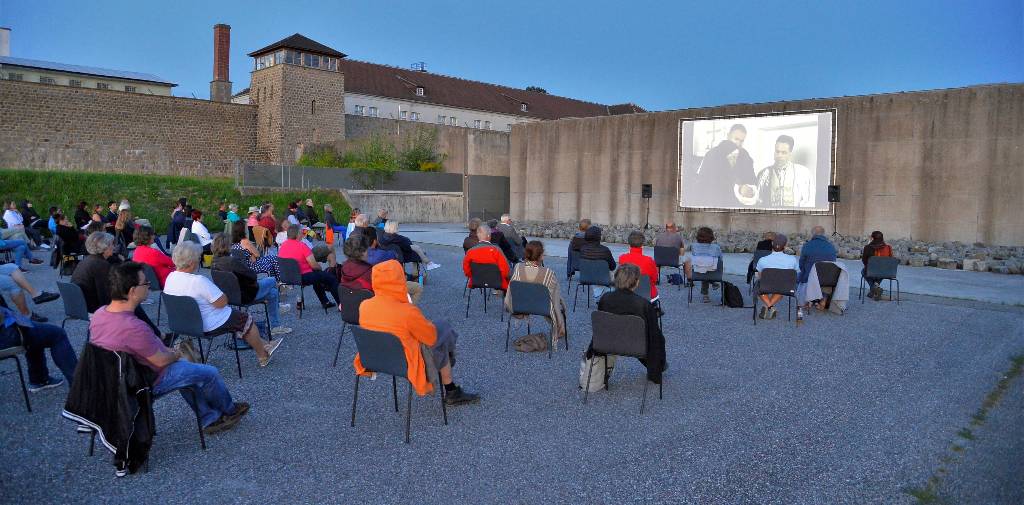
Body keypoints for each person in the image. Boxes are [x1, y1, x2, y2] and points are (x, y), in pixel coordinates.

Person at [89, 262, 250, 434]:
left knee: (188, 370)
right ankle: (229, 410)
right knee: (209, 372)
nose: (149, 286)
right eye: (145, 283)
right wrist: (175, 354)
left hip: (111, 380)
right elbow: (160, 362)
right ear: (132, 291)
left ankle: (209, 416)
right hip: (141, 383)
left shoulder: (100, 314)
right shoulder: (133, 326)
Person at [355, 260, 479, 405]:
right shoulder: (407, 312)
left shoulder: (364, 306)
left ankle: (452, 388)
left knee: (442, 332)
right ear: (399, 280)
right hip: (406, 361)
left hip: (376, 358)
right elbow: (431, 338)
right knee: (442, 337)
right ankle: (451, 390)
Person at [164, 241, 282, 366]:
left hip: (183, 323)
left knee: (237, 319)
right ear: (192, 262)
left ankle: (266, 345)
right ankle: (263, 356)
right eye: (199, 258)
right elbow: (222, 302)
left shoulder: (170, 278)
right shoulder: (198, 281)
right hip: (208, 324)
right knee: (246, 319)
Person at [71, 232, 161, 334]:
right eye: (111, 244)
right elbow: (106, 295)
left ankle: (154, 334)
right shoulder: (100, 265)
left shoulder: (87, 261)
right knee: (131, 302)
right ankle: (156, 335)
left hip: (81, 305)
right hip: (93, 308)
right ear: (104, 247)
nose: (113, 247)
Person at [590, 264, 666, 384]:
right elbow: (654, 336)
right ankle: (657, 370)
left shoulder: (605, 299)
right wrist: (657, 368)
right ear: (636, 282)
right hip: (636, 346)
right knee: (658, 338)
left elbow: (602, 325)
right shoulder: (644, 304)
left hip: (607, 343)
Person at [210, 234, 291, 335]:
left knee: (273, 293)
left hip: (230, 296)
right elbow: (253, 276)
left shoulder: (214, 262)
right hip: (246, 295)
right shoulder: (232, 261)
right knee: (272, 280)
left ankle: (276, 325)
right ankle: (278, 311)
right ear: (226, 246)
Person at [0, 297, 78, 392]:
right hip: (5, 335)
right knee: (57, 334)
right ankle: (80, 386)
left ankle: (39, 379)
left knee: (35, 331)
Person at [504, 241, 567, 344]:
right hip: (542, 308)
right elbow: (555, 297)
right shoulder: (548, 273)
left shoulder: (517, 268)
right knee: (556, 298)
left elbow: (511, 290)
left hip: (520, 306)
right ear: (541, 256)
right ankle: (559, 328)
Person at [694, 123, 758, 206]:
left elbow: (751, 180)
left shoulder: (745, 156)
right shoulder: (713, 154)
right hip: (715, 201)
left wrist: (749, 189)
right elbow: (703, 182)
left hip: (737, 203)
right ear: (728, 136)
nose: (738, 143)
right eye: (736, 139)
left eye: (741, 141)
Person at [278, 224, 340, 309]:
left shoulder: (283, 246)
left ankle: (325, 301)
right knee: (331, 278)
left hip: (286, 277)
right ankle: (342, 305)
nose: (302, 234)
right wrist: (320, 268)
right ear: (297, 234)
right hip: (302, 277)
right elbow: (314, 265)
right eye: (301, 232)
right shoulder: (302, 246)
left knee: (317, 276)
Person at [756, 135, 813, 208]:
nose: (779, 155)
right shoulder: (764, 173)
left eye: (784, 152)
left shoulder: (803, 173)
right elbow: (758, 199)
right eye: (777, 151)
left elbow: (808, 201)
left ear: (790, 154)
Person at [754, 233, 800, 319]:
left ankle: (768, 305)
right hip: (785, 287)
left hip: (765, 286)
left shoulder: (763, 260)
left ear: (772, 244)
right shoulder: (792, 260)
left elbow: (760, 277)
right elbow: (795, 274)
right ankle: (770, 306)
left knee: (758, 285)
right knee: (782, 284)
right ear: (785, 246)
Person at [797, 226, 837, 311]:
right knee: (823, 275)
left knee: (799, 275)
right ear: (823, 234)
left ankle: (808, 300)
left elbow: (801, 264)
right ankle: (823, 298)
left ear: (813, 234)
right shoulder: (831, 247)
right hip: (827, 279)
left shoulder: (807, 246)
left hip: (809, 277)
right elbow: (833, 262)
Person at [463, 224, 510, 291]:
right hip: (497, 281)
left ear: (478, 236)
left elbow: (466, 270)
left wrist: (474, 276)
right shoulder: (496, 250)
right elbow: (505, 271)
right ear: (489, 235)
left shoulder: (470, 251)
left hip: (476, 281)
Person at [684, 226, 723, 303]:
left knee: (701, 265)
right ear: (711, 237)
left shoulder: (694, 246)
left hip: (698, 273)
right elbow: (721, 260)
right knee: (707, 266)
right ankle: (711, 285)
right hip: (714, 274)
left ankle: (705, 294)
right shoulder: (716, 247)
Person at [618, 231, 659, 300]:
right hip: (647, 294)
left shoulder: (622, 258)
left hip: (627, 293)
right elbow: (654, 280)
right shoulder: (649, 260)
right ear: (642, 244)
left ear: (629, 243)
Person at [578, 225, 615, 299]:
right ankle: (602, 297)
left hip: (586, 277)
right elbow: (613, 266)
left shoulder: (582, 249)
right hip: (603, 278)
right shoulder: (605, 250)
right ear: (599, 237)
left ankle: (598, 295)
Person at [861, 230, 893, 300]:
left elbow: (864, 261)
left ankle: (873, 289)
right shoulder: (888, 248)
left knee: (863, 271)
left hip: (871, 271)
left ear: (872, 238)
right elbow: (890, 260)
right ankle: (875, 287)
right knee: (881, 271)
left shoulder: (867, 247)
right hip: (885, 272)